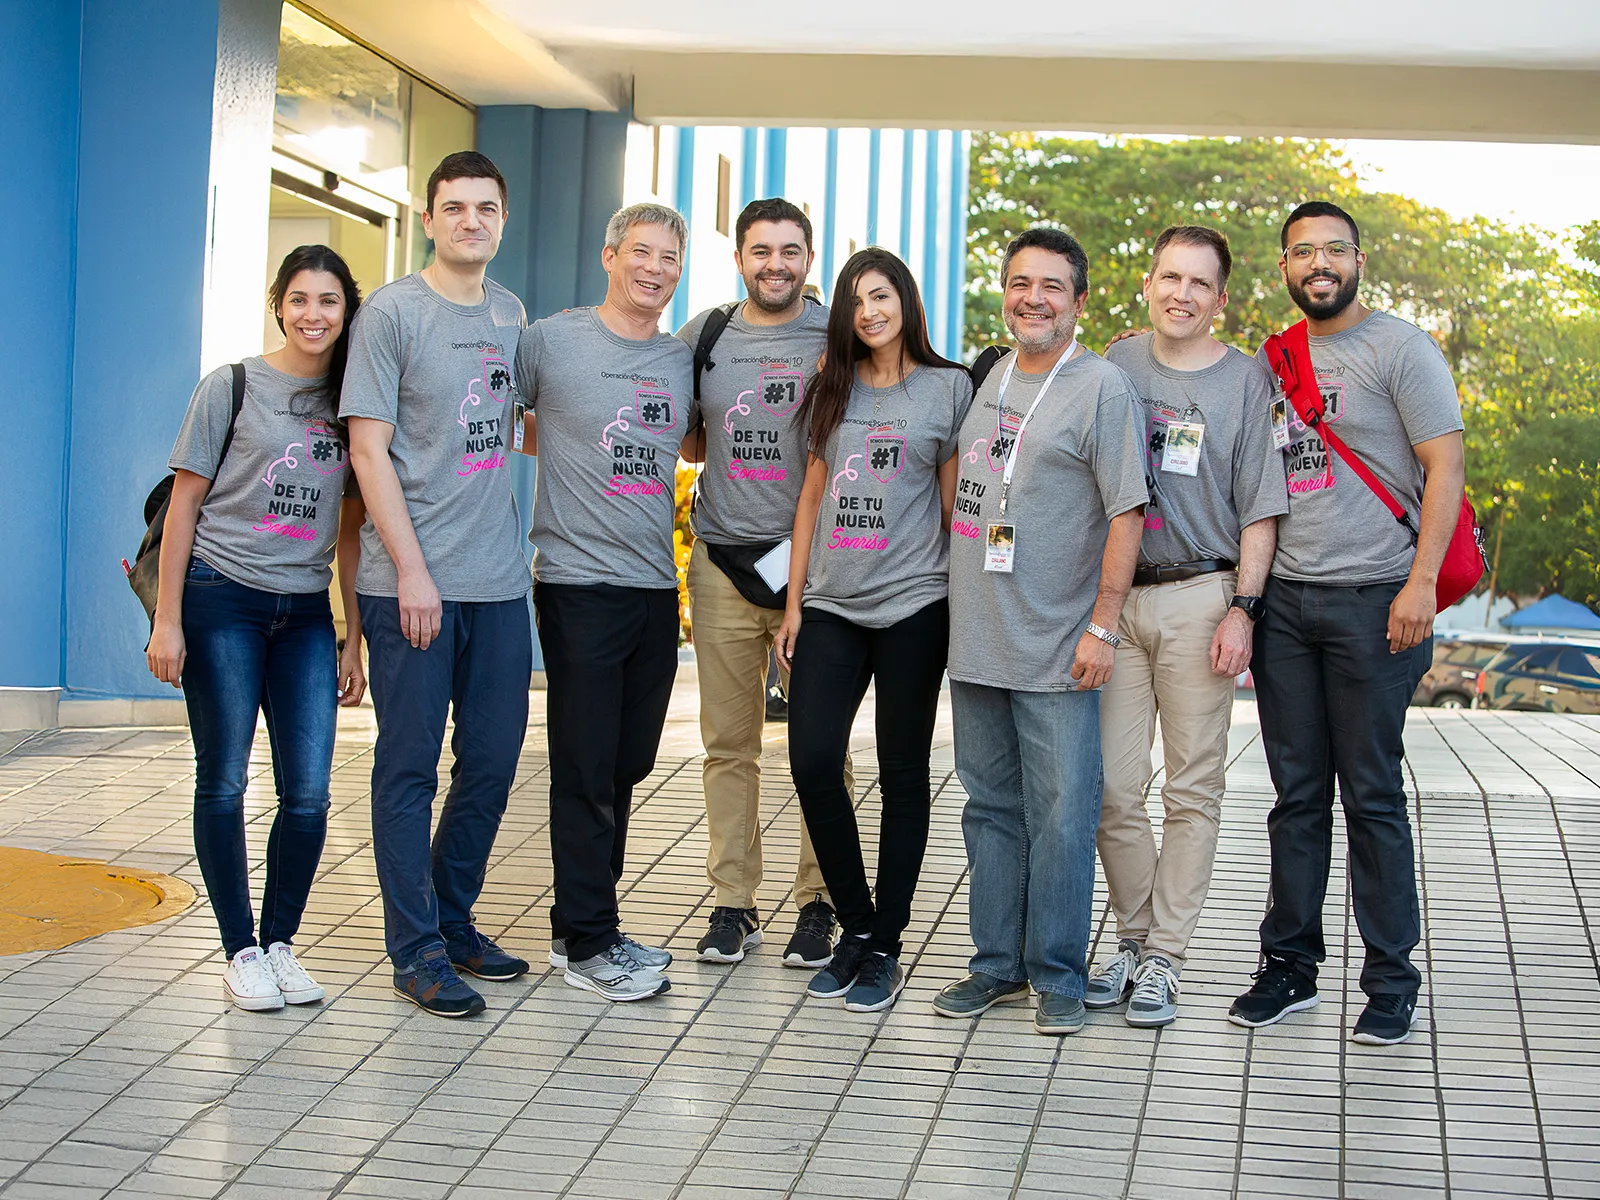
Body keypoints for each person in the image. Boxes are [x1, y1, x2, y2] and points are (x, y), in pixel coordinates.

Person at [1228, 201, 1466, 1045]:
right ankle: (1288, 966)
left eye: (1334, 249)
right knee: (1295, 797)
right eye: (1302, 252)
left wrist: (1420, 584)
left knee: (1370, 794)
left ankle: (1392, 980)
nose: (1318, 263)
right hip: (1290, 604)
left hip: (1379, 602)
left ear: (1359, 260)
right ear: (1285, 268)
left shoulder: (1401, 348)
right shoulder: (1273, 360)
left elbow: (1446, 466)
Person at [930, 227, 1146, 1035]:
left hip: (1060, 642)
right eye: (1021, 282)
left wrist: (1104, 626)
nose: (1033, 298)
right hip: (978, 638)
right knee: (989, 807)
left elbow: (1128, 511)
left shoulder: (1101, 388)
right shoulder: (987, 377)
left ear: (1080, 302)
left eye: (1052, 286)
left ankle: (1058, 971)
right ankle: (996, 966)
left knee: (1061, 812)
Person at [148, 244, 367, 1012]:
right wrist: (167, 622)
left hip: (304, 611)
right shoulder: (232, 386)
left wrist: (353, 635)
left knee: (307, 793)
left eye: (330, 302)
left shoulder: (353, 402)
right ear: (280, 304)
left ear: (348, 312)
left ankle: (279, 944)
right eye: (301, 299)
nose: (315, 315)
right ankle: (239, 948)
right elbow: (184, 505)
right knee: (227, 779)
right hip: (221, 599)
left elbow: (348, 530)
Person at [343, 151, 533, 1018]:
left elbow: (511, 427)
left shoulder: (510, 312)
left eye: (484, 207)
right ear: (427, 219)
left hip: (498, 583)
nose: (470, 220)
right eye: (453, 207)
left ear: (501, 218)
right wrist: (412, 571)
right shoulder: (391, 314)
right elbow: (366, 448)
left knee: (491, 762)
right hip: (409, 584)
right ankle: (414, 949)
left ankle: (452, 920)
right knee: (409, 767)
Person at [1085, 226, 1288, 1028]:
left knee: (1193, 789)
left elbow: (1262, 506)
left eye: (1200, 284)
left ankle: (1166, 955)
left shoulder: (1247, 380)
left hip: (1203, 595)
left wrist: (1245, 606)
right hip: (1116, 600)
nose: (1182, 294)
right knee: (1111, 787)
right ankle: (1134, 937)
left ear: (1221, 299)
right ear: (1148, 283)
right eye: (1171, 277)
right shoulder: (1115, 365)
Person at [775, 248, 973, 1014]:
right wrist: (795, 604)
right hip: (833, 603)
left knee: (902, 774)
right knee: (813, 757)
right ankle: (856, 922)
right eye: (856, 302)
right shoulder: (833, 388)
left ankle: (886, 942)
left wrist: (970, 611)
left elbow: (959, 509)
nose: (869, 313)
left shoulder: (948, 389)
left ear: (905, 302)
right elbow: (811, 499)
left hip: (915, 605)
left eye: (881, 297)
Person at [514, 203, 695, 1002]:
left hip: (656, 585)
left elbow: (691, 442)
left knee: (628, 763)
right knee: (585, 768)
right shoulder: (551, 340)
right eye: (641, 253)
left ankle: (584, 925)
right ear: (610, 254)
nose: (654, 269)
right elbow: (498, 417)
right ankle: (587, 945)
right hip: (578, 584)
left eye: (669, 259)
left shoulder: (681, 357)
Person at [675, 198, 839, 969]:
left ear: (812, 257)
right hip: (720, 562)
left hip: (817, 569)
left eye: (790, 250)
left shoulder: (841, 333)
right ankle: (734, 904)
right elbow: (675, 427)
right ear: (739, 257)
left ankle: (820, 903)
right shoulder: (705, 335)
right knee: (728, 745)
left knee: (819, 748)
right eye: (761, 250)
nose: (775, 263)